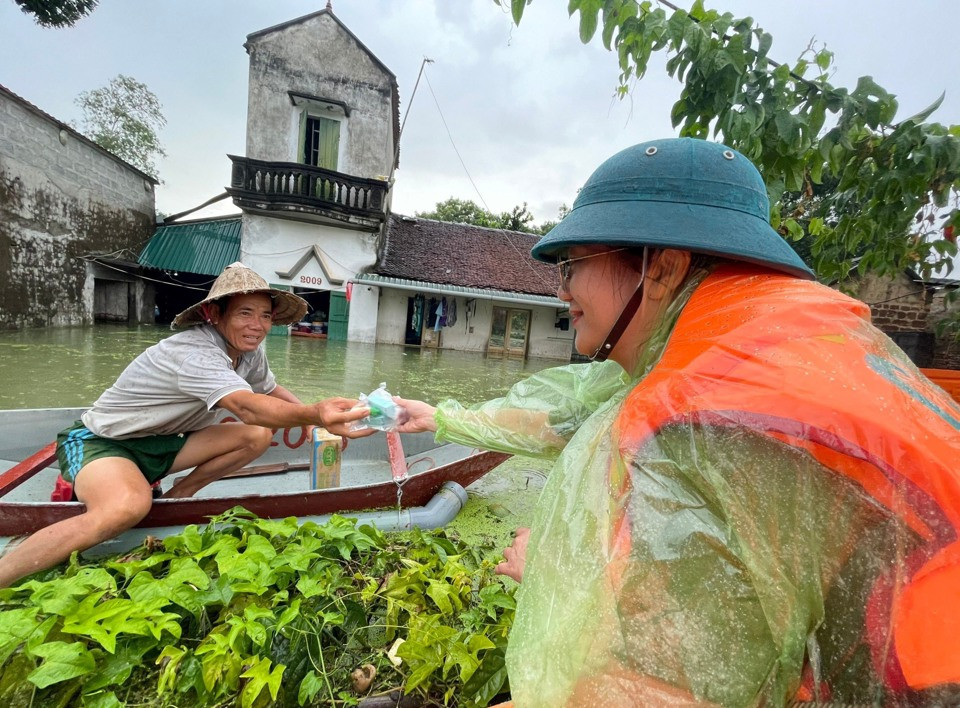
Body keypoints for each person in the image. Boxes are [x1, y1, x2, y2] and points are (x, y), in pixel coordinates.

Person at [395, 139, 960, 706]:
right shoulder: (768, 347)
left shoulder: (709, 421)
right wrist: (440, 416)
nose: (561, 290)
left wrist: (555, 575)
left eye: (572, 266)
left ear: (660, 268)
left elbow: (658, 689)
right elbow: (566, 417)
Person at [0, 262, 372, 588]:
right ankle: (6, 573)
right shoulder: (195, 353)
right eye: (245, 313)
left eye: (264, 316)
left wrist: (311, 421)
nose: (257, 326)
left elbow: (268, 389)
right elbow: (248, 406)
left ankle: (179, 497)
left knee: (257, 437)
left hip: (167, 441)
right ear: (214, 313)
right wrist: (315, 413)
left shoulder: (247, 351)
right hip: (105, 443)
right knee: (125, 508)